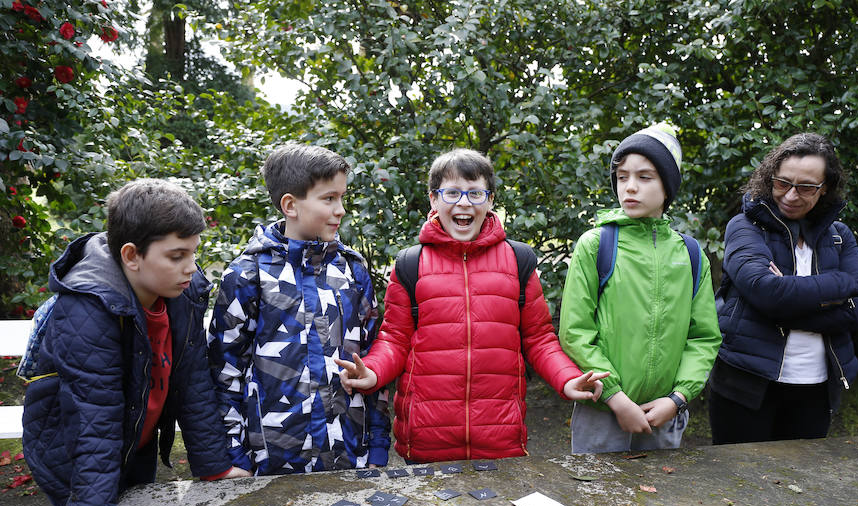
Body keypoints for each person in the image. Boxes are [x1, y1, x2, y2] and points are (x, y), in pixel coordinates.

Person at [20, 179, 248, 506]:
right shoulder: (87, 309)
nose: (191, 268)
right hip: (73, 449)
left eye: (193, 253)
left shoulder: (183, 292)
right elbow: (95, 413)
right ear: (132, 255)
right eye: (177, 256)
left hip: (135, 438)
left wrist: (214, 466)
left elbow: (191, 380)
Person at [336, 148, 605, 463]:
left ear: (490, 201)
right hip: (426, 439)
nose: (463, 203)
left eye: (475, 193)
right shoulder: (411, 264)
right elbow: (395, 338)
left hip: (500, 437)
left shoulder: (519, 261)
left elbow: (539, 338)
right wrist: (374, 372)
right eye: (451, 193)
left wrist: (568, 378)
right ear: (434, 199)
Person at [207, 144, 391, 475]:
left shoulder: (353, 270)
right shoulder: (247, 275)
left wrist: (377, 446)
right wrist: (234, 456)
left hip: (351, 456)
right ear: (290, 205)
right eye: (329, 198)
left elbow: (372, 356)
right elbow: (225, 371)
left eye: (342, 197)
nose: (341, 210)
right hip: (271, 465)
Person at [558, 123, 721, 453]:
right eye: (622, 177)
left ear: (667, 186)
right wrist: (617, 399)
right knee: (597, 500)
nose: (630, 187)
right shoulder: (596, 245)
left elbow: (703, 336)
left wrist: (678, 398)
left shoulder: (690, 255)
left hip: (663, 415)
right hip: (602, 413)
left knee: (659, 503)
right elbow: (575, 331)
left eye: (645, 177)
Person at [709, 132, 858, 443]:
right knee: (741, 483)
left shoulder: (839, 236)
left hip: (814, 390)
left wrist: (785, 305)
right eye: (782, 183)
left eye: (806, 187)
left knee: (802, 486)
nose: (790, 195)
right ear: (769, 176)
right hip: (744, 386)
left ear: (824, 188)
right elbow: (764, 291)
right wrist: (840, 284)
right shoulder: (745, 227)